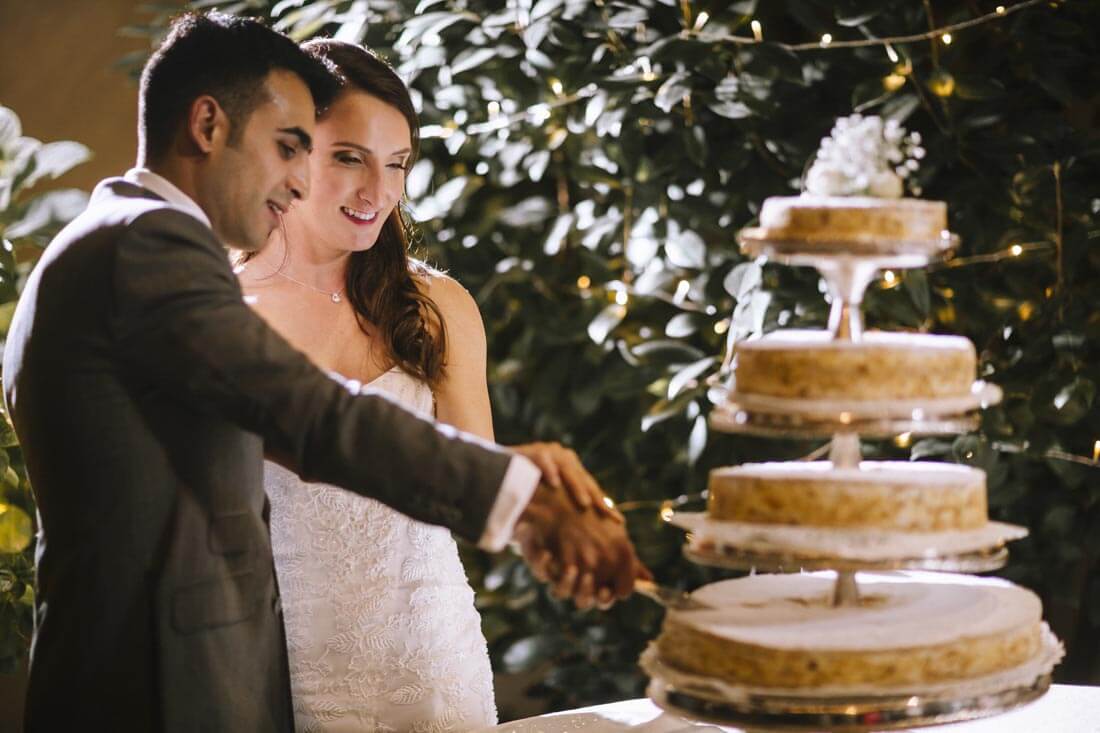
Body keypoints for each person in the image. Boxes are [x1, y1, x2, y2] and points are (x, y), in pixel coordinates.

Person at [1, 12, 648, 733]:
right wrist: (520, 495)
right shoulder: (148, 250)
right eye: (288, 148)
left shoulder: (112, 240)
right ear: (209, 126)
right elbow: (310, 415)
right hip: (155, 687)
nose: (290, 180)